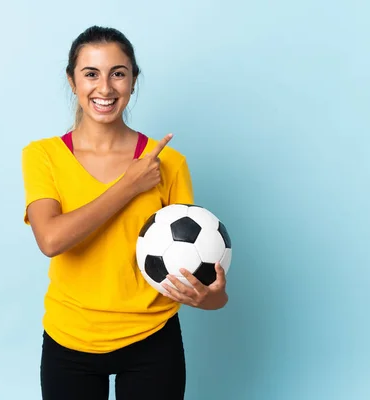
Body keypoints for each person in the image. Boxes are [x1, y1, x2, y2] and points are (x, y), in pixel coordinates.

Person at [21, 25, 229, 400]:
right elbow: (50, 239)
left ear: (133, 81)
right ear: (72, 81)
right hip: (70, 339)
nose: (105, 88)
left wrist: (212, 297)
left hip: (152, 341)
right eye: (90, 74)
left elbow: (200, 281)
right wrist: (130, 185)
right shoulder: (43, 156)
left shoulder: (169, 163)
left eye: (118, 73)